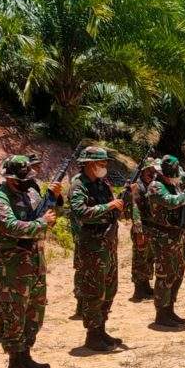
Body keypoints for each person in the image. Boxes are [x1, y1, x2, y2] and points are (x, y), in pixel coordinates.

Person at [0, 155, 58, 368]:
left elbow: (44, 216)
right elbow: (10, 226)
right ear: (10, 179)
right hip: (13, 266)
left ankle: (26, 354)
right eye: (23, 179)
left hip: (35, 261)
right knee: (14, 312)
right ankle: (15, 361)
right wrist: (41, 223)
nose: (28, 182)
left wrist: (53, 202)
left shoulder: (30, 193)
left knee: (34, 310)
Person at [68, 146, 124, 352]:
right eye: (102, 162)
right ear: (90, 164)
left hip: (107, 243)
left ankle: (101, 329)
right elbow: (80, 212)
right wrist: (109, 206)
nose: (105, 166)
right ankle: (92, 335)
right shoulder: (78, 185)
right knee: (94, 290)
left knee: (109, 288)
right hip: (92, 245)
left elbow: (114, 206)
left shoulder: (102, 183)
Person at [145, 155, 185, 327]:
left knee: (177, 273)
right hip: (163, 237)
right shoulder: (156, 186)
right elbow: (172, 202)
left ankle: (170, 308)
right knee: (165, 274)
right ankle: (161, 313)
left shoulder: (173, 185)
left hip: (175, 236)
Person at [124, 157, 156, 302]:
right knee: (139, 259)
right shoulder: (137, 186)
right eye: (150, 170)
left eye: (154, 170)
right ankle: (139, 289)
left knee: (149, 258)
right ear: (144, 171)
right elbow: (135, 209)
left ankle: (146, 285)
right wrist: (138, 231)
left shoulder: (152, 184)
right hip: (141, 227)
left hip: (151, 227)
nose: (153, 172)